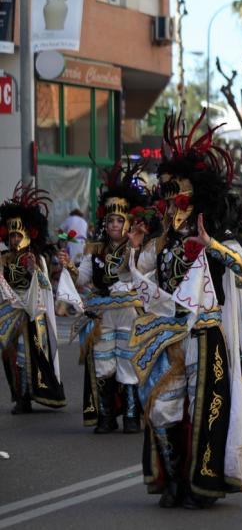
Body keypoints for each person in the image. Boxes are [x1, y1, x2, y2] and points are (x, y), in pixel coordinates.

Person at [127, 111, 242, 508]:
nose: (170, 205)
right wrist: (137, 243)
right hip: (168, 336)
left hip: (206, 337)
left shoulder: (217, 235)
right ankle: (174, 478)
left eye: (177, 196)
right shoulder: (160, 242)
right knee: (163, 409)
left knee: (205, 412)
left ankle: (203, 484)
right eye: (166, 197)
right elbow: (139, 276)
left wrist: (211, 245)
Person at [59, 161, 151, 433]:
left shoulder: (138, 247)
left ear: (128, 221)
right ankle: (107, 416)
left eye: (119, 219)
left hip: (129, 313)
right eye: (110, 220)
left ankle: (132, 417)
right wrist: (69, 266)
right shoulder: (94, 248)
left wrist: (134, 249)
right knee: (103, 363)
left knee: (128, 361)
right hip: (101, 315)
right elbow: (83, 280)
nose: (114, 224)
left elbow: (143, 275)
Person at [0, 184, 66, 414]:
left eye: (18, 234)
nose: (14, 239)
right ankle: (19, 394)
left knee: (24, 355)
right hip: (9, 311)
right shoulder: (4, 258)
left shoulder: (35, 258)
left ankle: (28, 394)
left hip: (31, 311)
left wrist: (33, 271)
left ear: (28, 235)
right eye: (11, 235)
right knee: (8, 354)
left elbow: (46, 286)